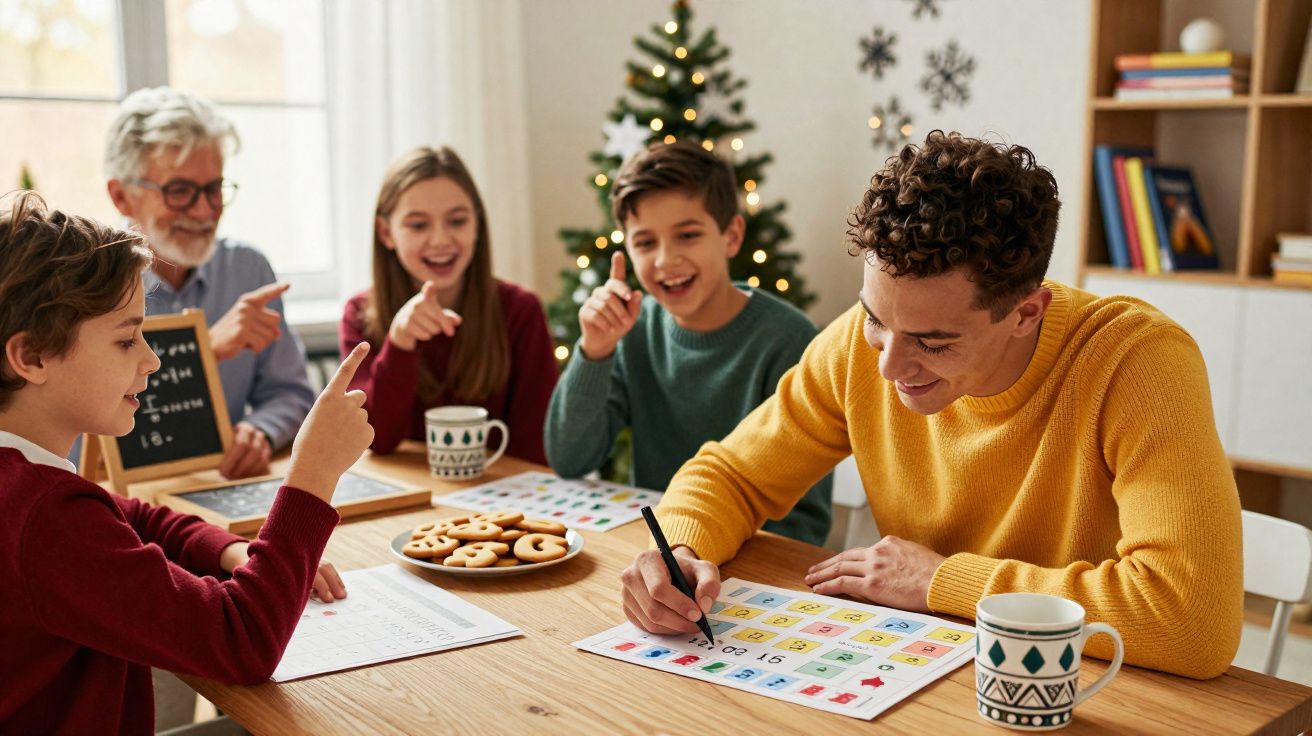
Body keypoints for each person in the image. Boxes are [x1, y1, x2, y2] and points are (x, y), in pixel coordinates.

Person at [618, 131, 1243, 680]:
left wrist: (941, 582)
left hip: (1087, 685)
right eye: (874, 320)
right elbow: (732, 474)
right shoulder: (862, 349)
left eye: (933, 342)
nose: (888, 365)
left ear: (1026, 312)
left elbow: (1190, 618)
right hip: (922, 667)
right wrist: (679, 550)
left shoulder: (1138, 362)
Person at [0, 192, 374, 733]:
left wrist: (232, 551)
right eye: (127, 339)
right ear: (31, 357)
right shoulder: (46, 520)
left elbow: (127, 516)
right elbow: (242, 643)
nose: (151, 360)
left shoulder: (28, 483)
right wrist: (312, 476)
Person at [546, 140, 832, 546]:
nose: (665, 259)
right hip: (657, 553)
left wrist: (697, 547)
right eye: (645, 243)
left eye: (687, 235)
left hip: (743, 562)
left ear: (731, 236)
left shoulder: (790, 341)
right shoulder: (633, 332)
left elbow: (803, 524)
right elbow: (570, 458)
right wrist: (594, 351)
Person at [102, 86, 315, 479]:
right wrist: (205, 351)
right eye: (179, 191)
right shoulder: (87, 283)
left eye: (213, 188)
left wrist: (261, 432)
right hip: (126, 499)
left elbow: (292, 393)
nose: (204, 211)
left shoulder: (247, 270)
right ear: (121, 196)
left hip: (223, 485)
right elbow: (86, 434)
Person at [340, 146, 556, 463]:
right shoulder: (360, 314)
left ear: (477, 225)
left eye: (457, 221)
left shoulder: (521, 310)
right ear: (387, 233)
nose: (440, 240)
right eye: (417, 225)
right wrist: (399, 344)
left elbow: (534, 448)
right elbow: (377, 440)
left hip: (500, 500)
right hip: (409, 499)